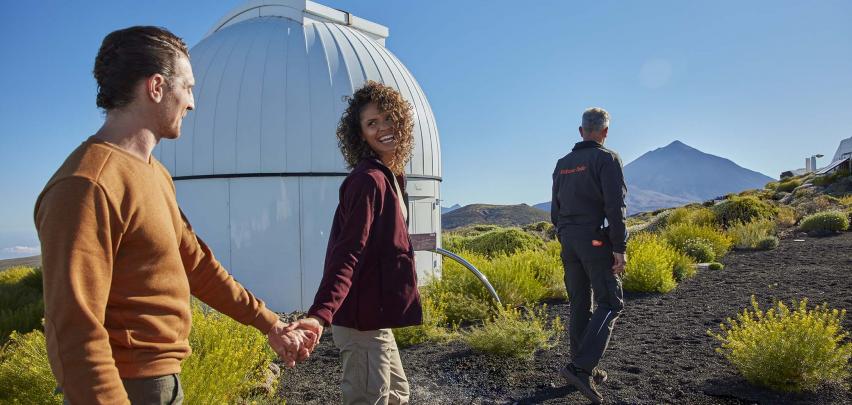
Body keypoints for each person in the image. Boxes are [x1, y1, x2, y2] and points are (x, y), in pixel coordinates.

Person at [34, 26, 316, 405]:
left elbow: (196, 264)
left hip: (162, 383)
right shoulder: (87, 185)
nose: (192, 103)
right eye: (188, 87)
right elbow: (75, 331)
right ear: (156, 87)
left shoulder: (153, 173)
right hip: (126, 387)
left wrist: (270, 323)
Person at [290, 81, 422, 405]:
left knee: (396, 396)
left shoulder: (389, 176)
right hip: (361, 320)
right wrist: (321, 314)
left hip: (376, 318)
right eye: (371, 123)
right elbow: (347, 251)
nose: (382, 128)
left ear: (401, 122)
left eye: (388, 118)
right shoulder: (367, 181)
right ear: (360, 134)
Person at [550, 107, 627, 404]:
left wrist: (566, 233)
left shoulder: (562, 164)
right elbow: (615, 208)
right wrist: (619, 248)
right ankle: (581, 367)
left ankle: (581, 366)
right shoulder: (607, 159)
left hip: (568, 239)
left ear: (581, 130)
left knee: (580, 304)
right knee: (611, 301)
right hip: (594, 239)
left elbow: (555, 211)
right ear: (605, 132)